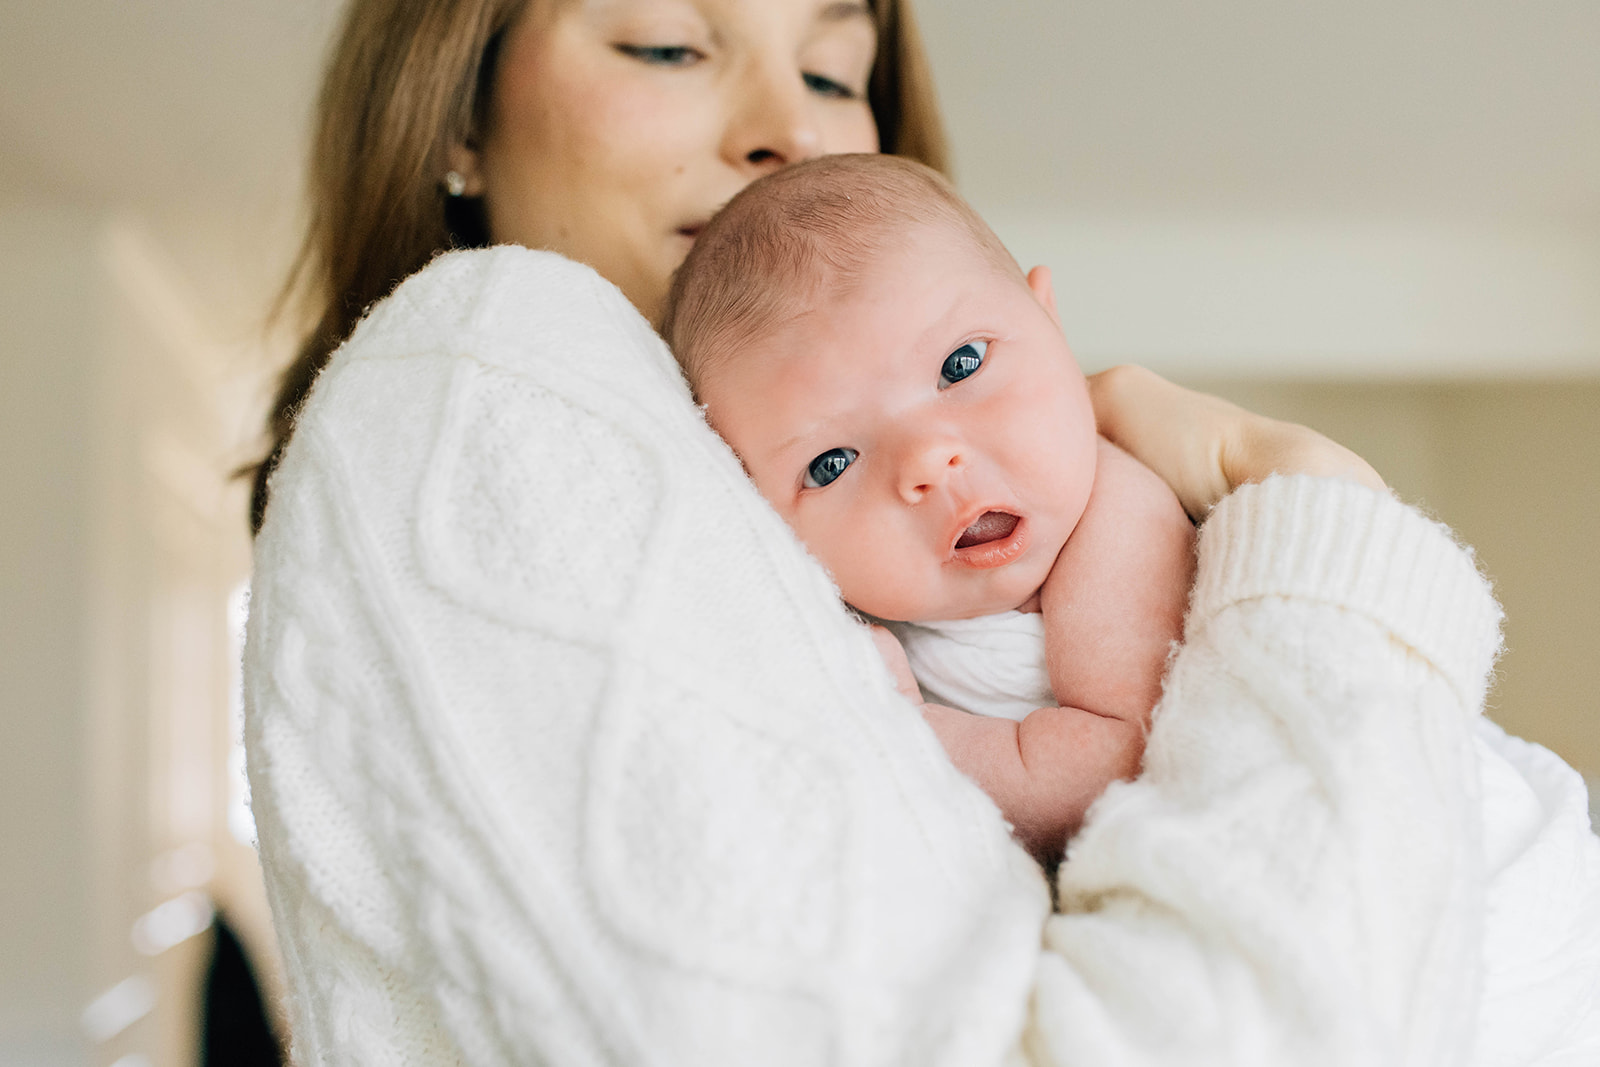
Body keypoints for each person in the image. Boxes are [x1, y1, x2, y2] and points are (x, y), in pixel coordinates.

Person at [243, 0, 1600, 1064]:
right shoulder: (484, 368)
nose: (793, 127)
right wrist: (1318, 511)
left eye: (837, 71)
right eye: (667, 42)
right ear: (453, 114)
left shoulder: (769, 506)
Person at [663, 152, 1198, 862]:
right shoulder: (842, 618)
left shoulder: (1117, 514)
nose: (925, 461)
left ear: (1052, 326)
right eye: (832, 463)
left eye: (961, 365)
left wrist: (902, 727)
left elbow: (1111, 765)